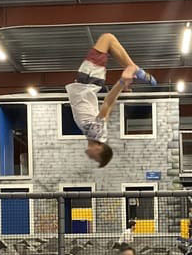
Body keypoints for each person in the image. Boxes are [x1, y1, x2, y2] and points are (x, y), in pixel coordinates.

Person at [66, 32, 157, 168]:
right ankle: (136, 70)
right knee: (107, 38)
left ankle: (134, 69)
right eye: (96, 159)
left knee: (109, 41)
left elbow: (108, 107)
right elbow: (107, 103)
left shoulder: (95, 134)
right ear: (99, 150)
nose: (91, 158)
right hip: (87, 81)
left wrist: (121, 85)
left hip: (87, 83)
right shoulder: (96, 133)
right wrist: (121, 82)